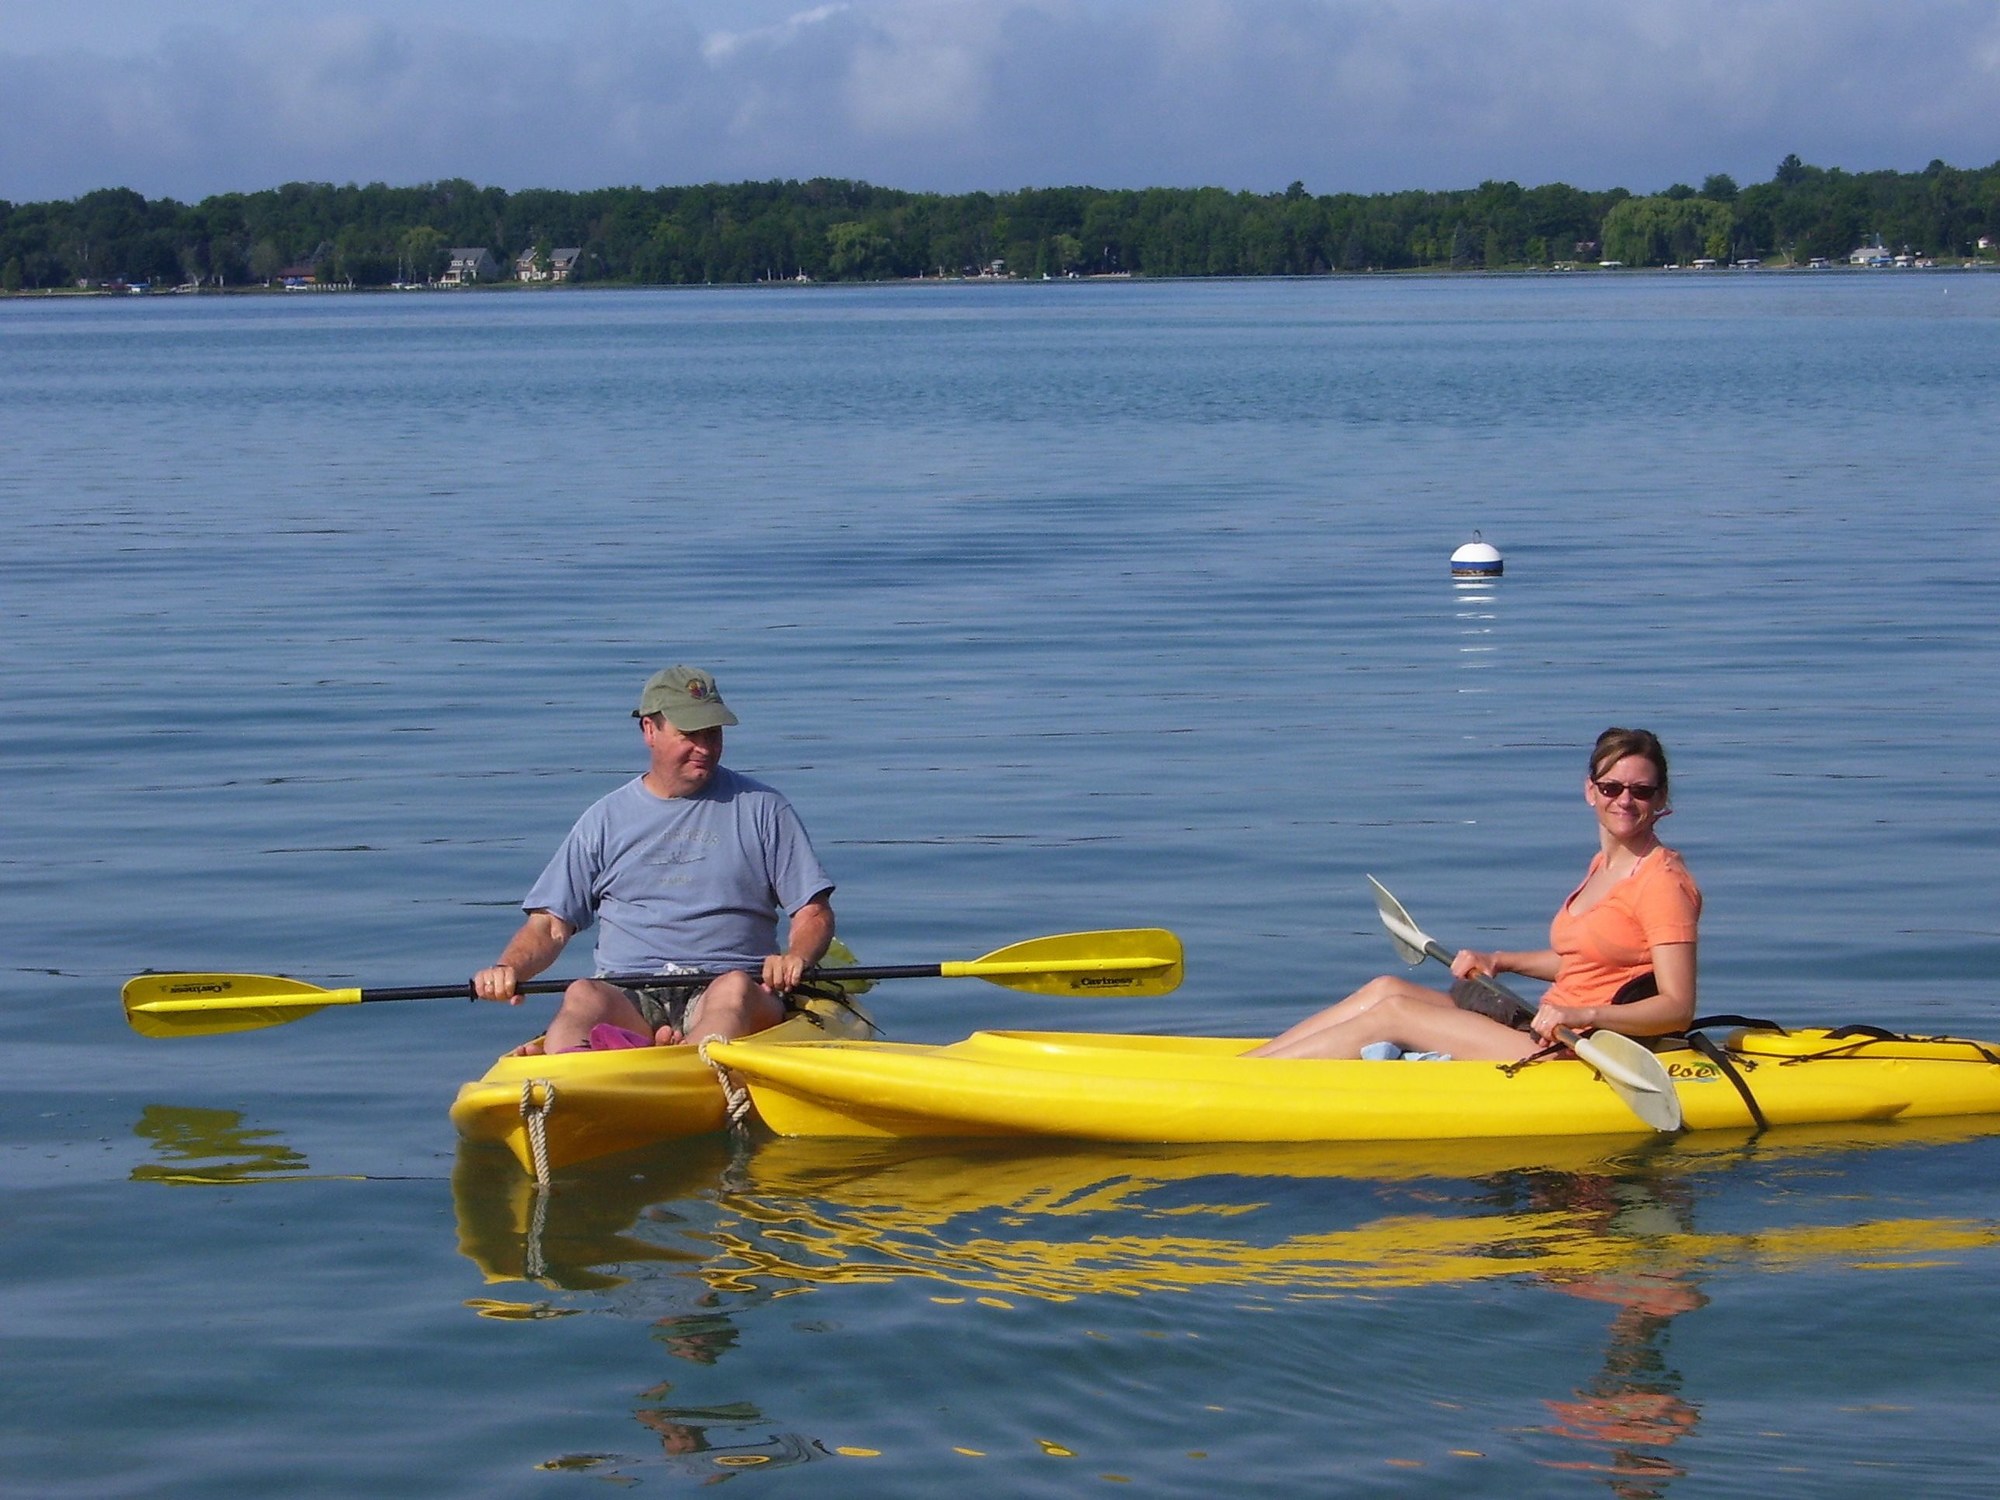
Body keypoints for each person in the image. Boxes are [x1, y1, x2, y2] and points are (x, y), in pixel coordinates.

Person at [1249, 727, 1698, 1061]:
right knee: (1385, 988)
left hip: (1578, 1050)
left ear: (1660, 799)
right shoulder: (1605, 864)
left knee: (1394, 1015)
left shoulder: (1662, 882)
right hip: (1544, 1023)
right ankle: (1246, 1067)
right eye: (1611, 787)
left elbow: (1676, 1008)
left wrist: (1584, 1016)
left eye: (1640, 791)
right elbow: (1587, 958)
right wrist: (1499, 960)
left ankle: (1251, 1085)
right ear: (1590, 791)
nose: (1624, 800)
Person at [471, 665, 836, 1054]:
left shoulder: (764, 809)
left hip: (732, 986)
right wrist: (507, 969)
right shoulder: (604, 820)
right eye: (690, 734)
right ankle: (579, 1067)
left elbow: (812, 912)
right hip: (631, 992)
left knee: (732, 991)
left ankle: (686, 1060)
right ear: (649, 730)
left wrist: (795, 957)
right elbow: (549, 926)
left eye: (713, 733)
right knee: (582, 993)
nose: (706, 747)